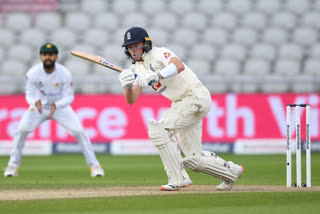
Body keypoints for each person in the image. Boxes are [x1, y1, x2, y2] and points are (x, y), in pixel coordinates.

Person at [118, 27, 244, 191]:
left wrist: (157, 75)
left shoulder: (159, 53)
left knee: (159, 130)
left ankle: (179, 179)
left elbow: (178, 66)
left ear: (146, 43)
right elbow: (131, 99)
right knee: (194, 159)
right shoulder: (138, 69)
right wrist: (127, 86)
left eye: (136, 46)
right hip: (182, 102)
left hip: (194, 96)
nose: (133, 50)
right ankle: (231, 171)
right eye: (130, 47)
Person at [4, 43, 104, 177]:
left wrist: (57, 105)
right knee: (21, 130)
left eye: (51, 54)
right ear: (41, 56)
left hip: (60, 107)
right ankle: (12, 166)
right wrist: (35, 103)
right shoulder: (32, 73)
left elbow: (69, 97)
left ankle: (95, 166)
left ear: (56, 56)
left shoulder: (64, 73)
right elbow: (29, 94)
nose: (48, 57)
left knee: (79, 132)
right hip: (39, 108)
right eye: (45, 54)